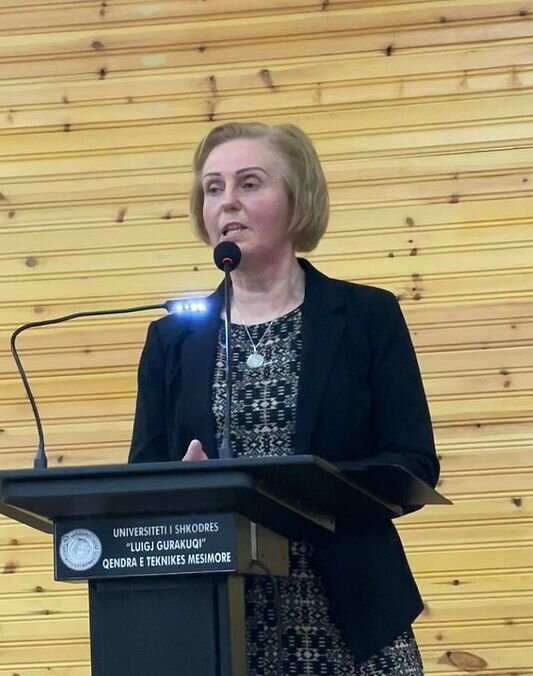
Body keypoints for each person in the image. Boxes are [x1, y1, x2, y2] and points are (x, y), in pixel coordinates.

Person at [128, 121, 439, 675]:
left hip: (353, 615)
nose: (227, 202)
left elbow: (412, 464)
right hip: (218, 619)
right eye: (213, 188)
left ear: (298, 199)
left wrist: (305, 487)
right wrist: (179, 489)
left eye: (249, 184)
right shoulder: (172, 339)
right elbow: (140, 483)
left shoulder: (366, 317)